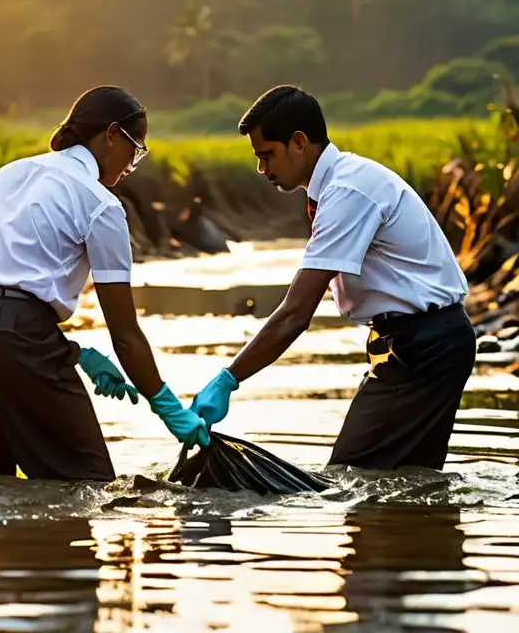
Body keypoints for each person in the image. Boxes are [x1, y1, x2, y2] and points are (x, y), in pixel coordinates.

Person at [0, 85, 209, 482]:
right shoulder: (101, 204)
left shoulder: (10, 174)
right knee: (87, 486)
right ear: (112, 135)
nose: (132, 165)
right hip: (13, 337)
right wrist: (166, 405)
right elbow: (125, 333)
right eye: (136, 149)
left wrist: (72, 352)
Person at [188, 85, 474, 471]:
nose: (262, 169)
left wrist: (228, 379)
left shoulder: (347, 192)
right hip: (412, 341)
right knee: (400, 482)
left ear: (299, 142)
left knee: (350, 476)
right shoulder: (338, 186)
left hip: (426, 345)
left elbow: (296, 313)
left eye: (267, 155)